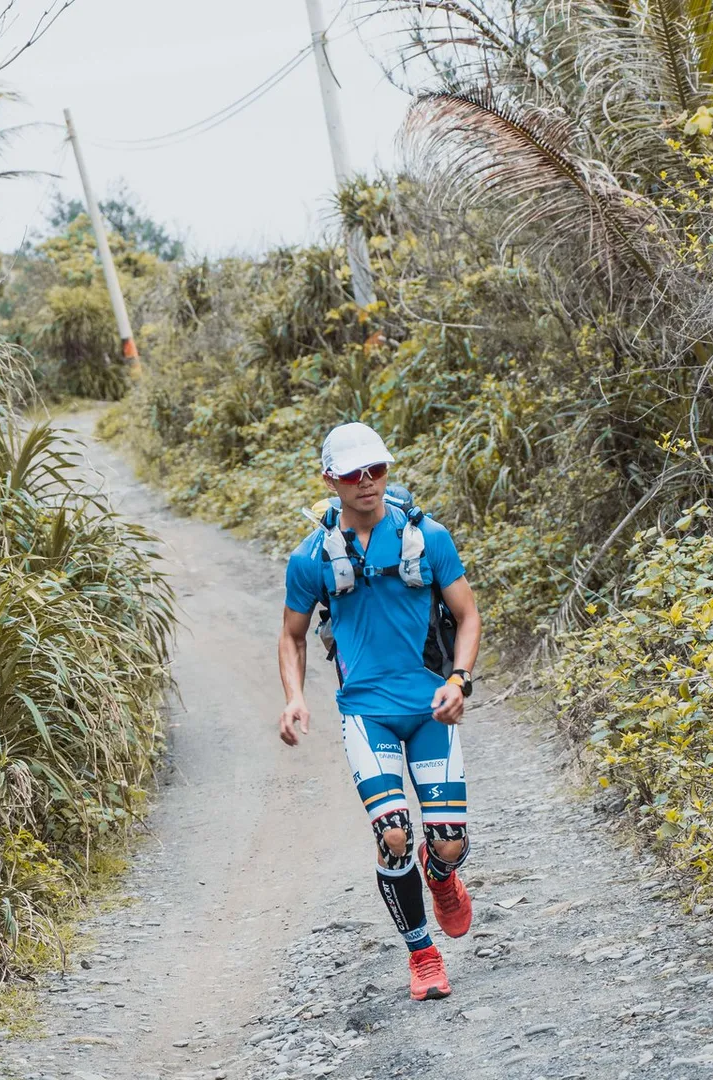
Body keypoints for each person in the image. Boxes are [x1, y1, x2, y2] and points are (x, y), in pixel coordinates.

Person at [276, 422, 483, 1002]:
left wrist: (460, 680)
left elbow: (467, 615)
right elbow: (291, 637)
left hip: (430, 710)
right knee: (392, 834)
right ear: (330, 479)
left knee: (447, 843)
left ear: (387, 471)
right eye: (352, 473)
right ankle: (423, 956)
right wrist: (295, 697)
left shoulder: (429, 538)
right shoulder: (311, 557)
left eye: (376, 470)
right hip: (367, 714)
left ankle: (441, 875)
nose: (366, 482)